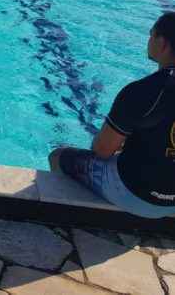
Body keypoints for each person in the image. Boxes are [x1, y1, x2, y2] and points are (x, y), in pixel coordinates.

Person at [49, 12, 175, 219]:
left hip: (137, 196)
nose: (149, 41)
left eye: (151, 35)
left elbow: (102, 150)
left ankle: (63, 218)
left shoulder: (143, 90)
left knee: (59, 156)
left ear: (162, 43)